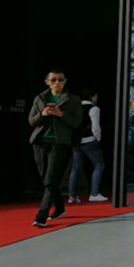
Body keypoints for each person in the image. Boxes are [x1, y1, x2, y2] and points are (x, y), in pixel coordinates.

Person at [28, 68, 83, 228]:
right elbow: (31, 121)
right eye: (53, 80)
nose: (57, 83)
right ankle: (59, 208)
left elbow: (77, 123)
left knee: (50, 178)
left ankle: (41, 216)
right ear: (47, 82)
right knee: (46, 179)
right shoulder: (40, 98)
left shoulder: (73, 100)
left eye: (60, 80)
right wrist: (42, 114)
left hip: (59, 144)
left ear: (65, 82)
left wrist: (61, 114)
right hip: (40, 142)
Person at [67, 87, 108, 203]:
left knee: (75, 168)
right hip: (90, 141)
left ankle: (72, 196)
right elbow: (95, 127)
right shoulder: (94, 109)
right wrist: (98, 139)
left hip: (76, 142)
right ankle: (94, 193)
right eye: (96, 96)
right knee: (99, 166)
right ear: (92, 97)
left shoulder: (75, 109)